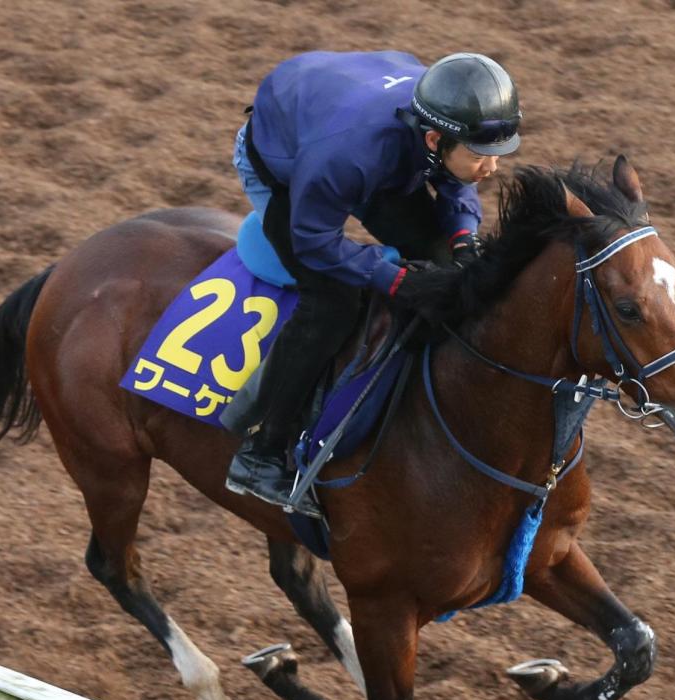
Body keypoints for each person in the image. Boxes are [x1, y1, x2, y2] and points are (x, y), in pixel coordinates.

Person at [220, 50, 522, 515]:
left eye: (498, 154)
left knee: (450, 266)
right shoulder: (349, 157)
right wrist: (395, 280)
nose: (493, 168)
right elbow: (315, 241)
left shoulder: (442, 124)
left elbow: (454, 181)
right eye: (482, 155)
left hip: (365, 141)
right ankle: (260, 453)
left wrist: (463, 239)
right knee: (333, 300)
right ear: (436, 137)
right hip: (289, 166)